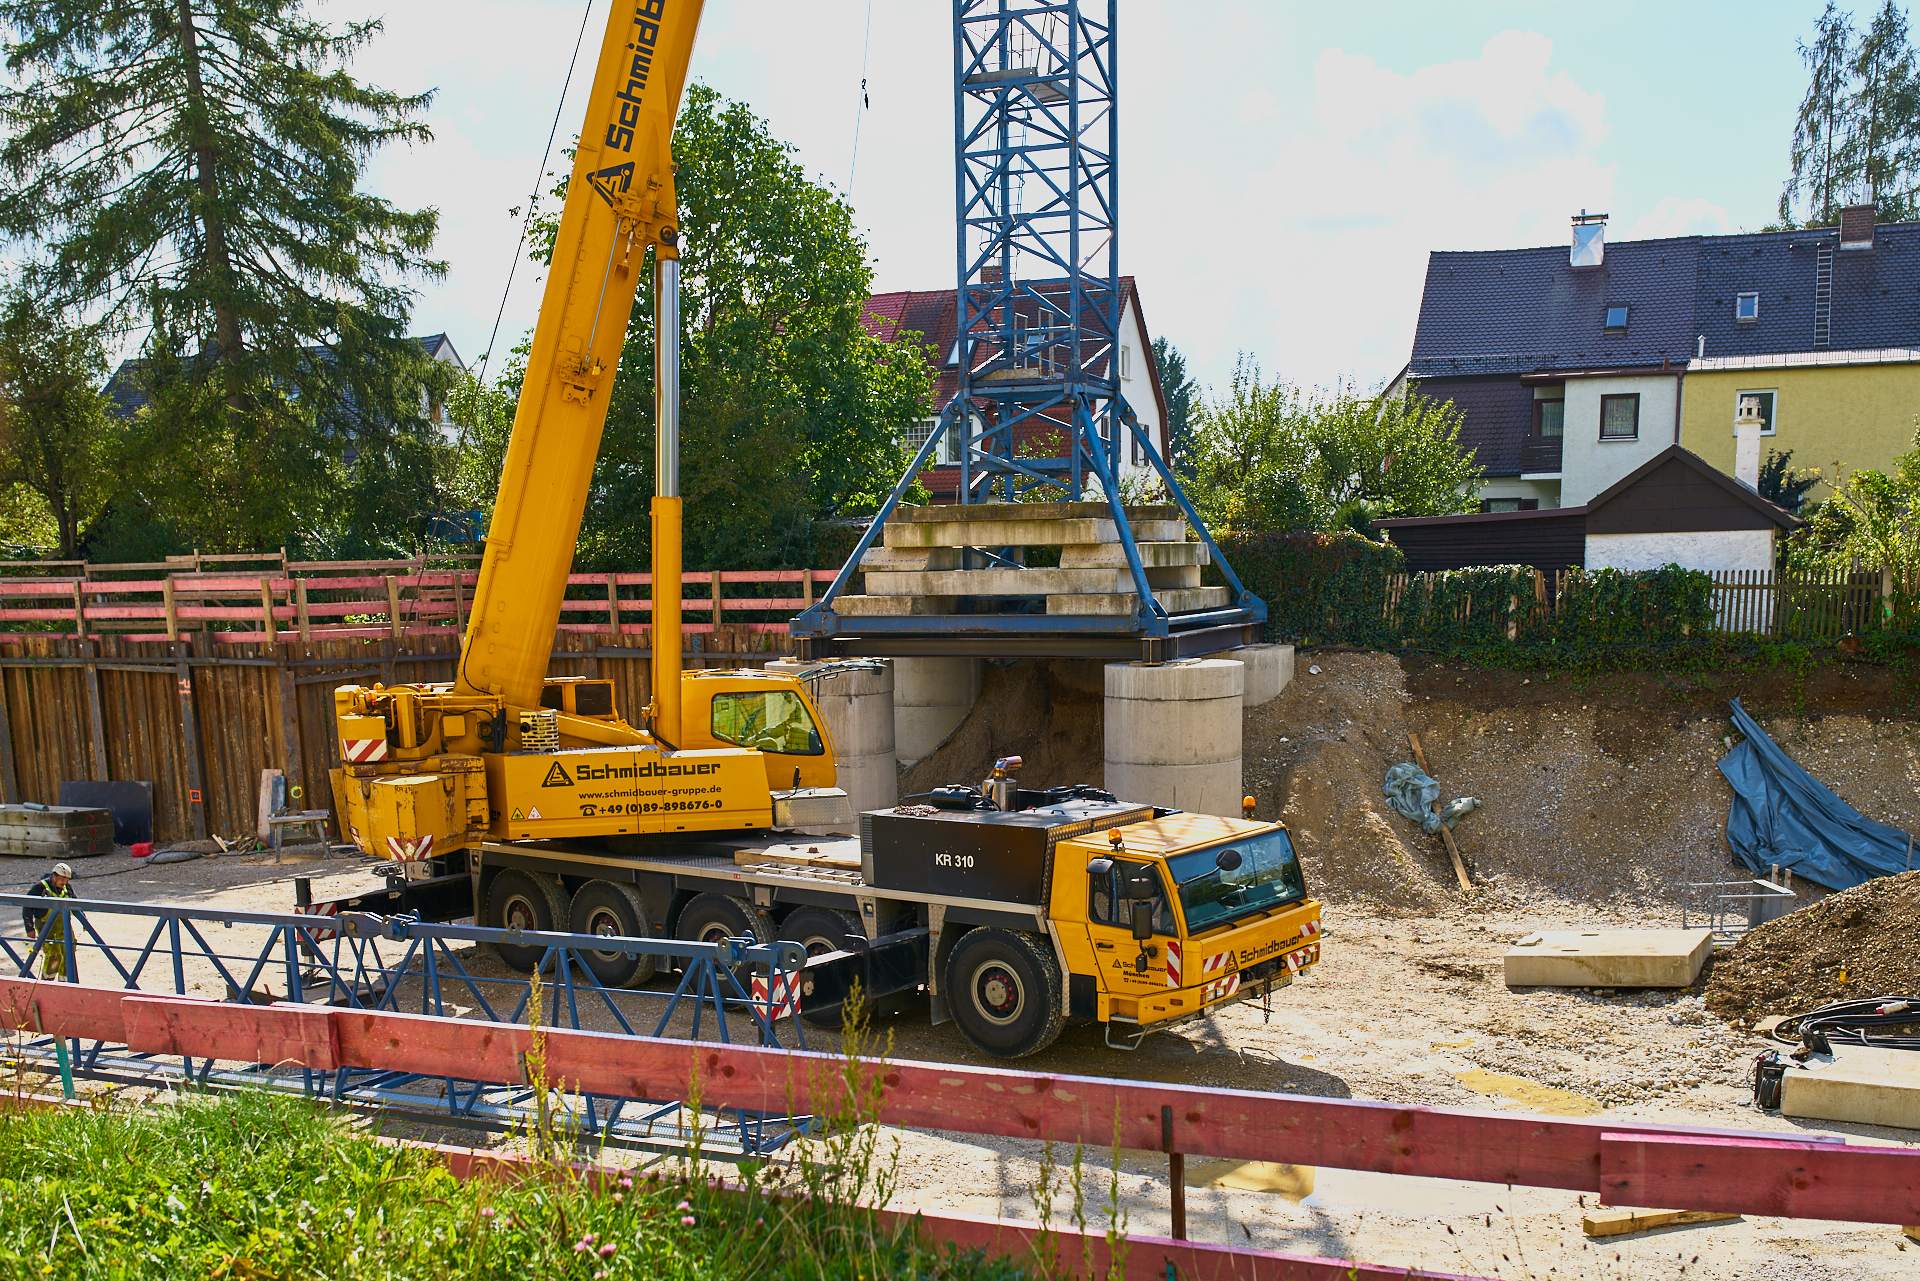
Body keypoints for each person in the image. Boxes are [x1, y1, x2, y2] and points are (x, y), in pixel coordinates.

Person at [23, 862, 75, 980]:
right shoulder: (40, 887)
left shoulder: (67, 888)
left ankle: (65, 984)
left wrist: (84, 920)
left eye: (66, 879)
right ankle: (47, 983)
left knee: (68, 954)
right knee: (54, 955)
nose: (64, 882)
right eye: (62, 879)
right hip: (46, 926)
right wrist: (29, 928)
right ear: (54, 876)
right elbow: (27, 907)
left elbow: (76, 904)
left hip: (64, 926)